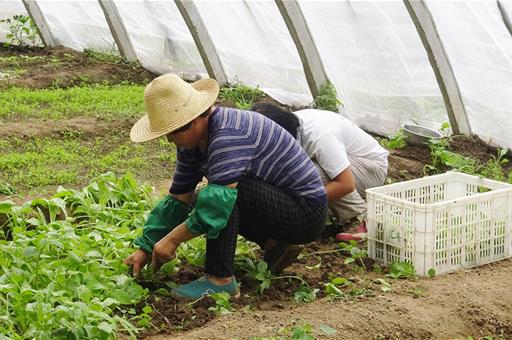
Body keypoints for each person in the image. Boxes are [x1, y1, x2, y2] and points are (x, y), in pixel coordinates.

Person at [124, 74, 327, 300]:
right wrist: (146, 246)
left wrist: (172, 240)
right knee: (208, 195)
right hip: (280, 207)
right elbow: (179, 198)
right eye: (167, 133)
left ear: (197, 118)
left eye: (175, 131)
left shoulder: (228, 134)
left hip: (306, 213)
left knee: (220, 196)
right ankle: (276, 245)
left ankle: (220, 280)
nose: (171, 140)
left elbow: (215, 206)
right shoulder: (190, 144)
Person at [251, 103, 388, 242]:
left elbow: (346, 184)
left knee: (309, 173)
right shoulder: (289, 129)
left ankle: (358, 218)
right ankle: (327, 217)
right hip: (348, 165)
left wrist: (302, 203)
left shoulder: (319, 134)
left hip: (371, 167)